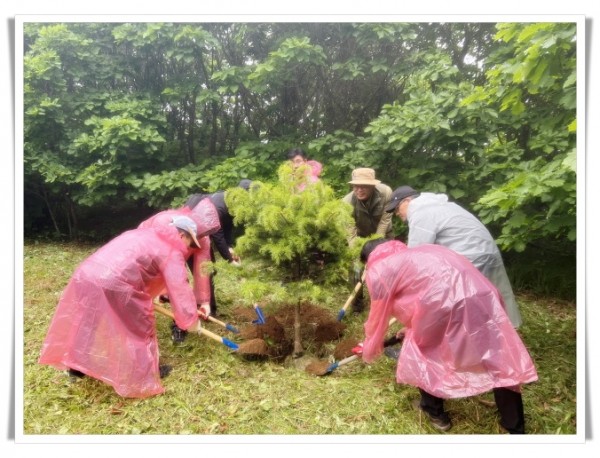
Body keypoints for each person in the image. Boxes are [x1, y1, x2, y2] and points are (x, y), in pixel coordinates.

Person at [357, 238, 538, 433]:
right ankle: (515, 427)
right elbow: (421, 294)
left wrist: (370, 346)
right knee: (498, 358)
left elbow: (378, 318)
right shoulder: (422, 252)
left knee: (421, 350)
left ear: (370, 259)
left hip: (443, 304)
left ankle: (434, 412)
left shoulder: (379, 270)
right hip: (483, 295)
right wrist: (411, 326)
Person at [38, 216, 205, 398]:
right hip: (115, 283)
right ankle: (144, 376)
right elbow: (179, 287)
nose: (189, 247)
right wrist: (190, 320)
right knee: (140, 328)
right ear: (182, 235)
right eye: (190, 241)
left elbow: (139, 266)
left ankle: (75, 369)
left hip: (87, 273)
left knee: (88, 321)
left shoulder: (143, 234)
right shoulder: (171, 250)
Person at [384, 186, 522, 328]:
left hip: (470, 256)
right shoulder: (440, 205)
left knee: (463, 305)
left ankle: (472, 343)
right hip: (487, 250)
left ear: (407, 201)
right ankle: (504, 335)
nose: (396, 214)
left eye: (396, 209)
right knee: (493, 297)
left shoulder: (419, 211)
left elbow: (416, 255)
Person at [138, 200, 221, 343]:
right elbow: (173, 274)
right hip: (148, 253)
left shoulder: (203, 236)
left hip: (175, 258)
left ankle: (180, 324)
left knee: (179, 287)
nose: (202, 237)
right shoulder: (166, 223)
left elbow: (202, 268)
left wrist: (204, 302)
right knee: (175, 286)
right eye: (199, 235)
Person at [183, 179, 252, 317]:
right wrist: (229, 260)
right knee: (205, 270)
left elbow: (228, 227)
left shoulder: (232, 203)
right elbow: (217, 234)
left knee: (209, 271)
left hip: (203, 233)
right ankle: (202, 309)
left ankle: (207, 307)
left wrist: (230, 248)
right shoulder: (219, 206)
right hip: (189, 235)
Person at [342, 167, 393, 313]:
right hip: (359, 239)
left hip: (383, 236)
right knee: (355, 269)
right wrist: (360, 253)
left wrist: (376, 249)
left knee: (388, 268)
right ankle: (357, 305)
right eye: (356, 186)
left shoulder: (386, 193)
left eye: (364, 186)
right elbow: (350, 234)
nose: (359, 190)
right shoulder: (346, 203)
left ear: (373, 186)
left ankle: (386, 301)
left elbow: (385, 220)